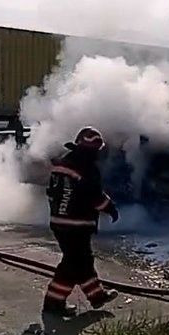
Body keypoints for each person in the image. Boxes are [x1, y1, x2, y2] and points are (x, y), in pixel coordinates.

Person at [43, 126, 120, 316]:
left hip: (59, 222)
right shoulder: (87, 168)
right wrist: (110, 208)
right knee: (73, 264)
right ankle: (53, 303)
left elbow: (53, 192)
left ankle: (97, 296)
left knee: (82, 261)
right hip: (76, 225)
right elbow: (94, 196)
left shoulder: (63, 163)